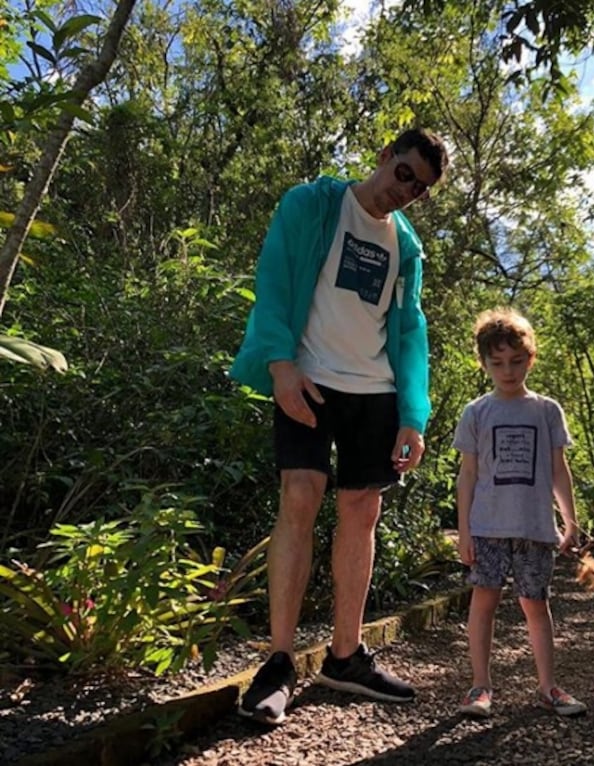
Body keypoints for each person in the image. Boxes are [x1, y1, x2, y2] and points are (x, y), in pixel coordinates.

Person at [229, 128, 450, 725]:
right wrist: (279, 363)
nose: (406, 192)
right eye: (404, 173)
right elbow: (273, 280)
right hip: (309, 377)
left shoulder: (407, 247)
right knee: (300, 496)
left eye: (421, 189)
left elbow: (409, 332)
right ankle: (277, 663)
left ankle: (345, 656)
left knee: (362, 510)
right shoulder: (312, 203)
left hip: (374, 391)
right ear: (384, 156)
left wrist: (413, 415)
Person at [452, 307, 587, 718]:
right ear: (484, 364)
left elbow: (558, 470)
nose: (507, 371)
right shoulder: (476, 412)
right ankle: (480, 687)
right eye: (497, 363)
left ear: (531, 358)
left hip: (534, 528)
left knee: (535, 604)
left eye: (516, 361)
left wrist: (570, 521)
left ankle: (548, 687)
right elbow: (467, 475)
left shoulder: (547, 411)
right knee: (483, 602)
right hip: (488, 527)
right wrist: (464, 532)